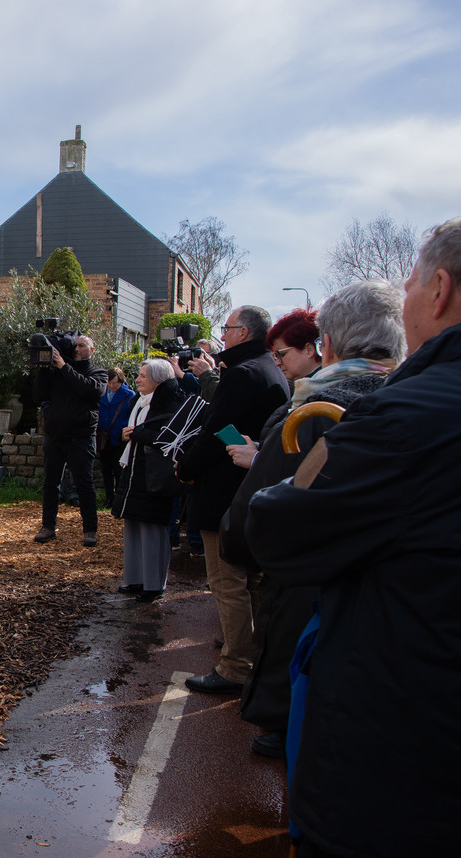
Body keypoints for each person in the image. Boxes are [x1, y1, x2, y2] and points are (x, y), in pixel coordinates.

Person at [247, 213, 461, 858]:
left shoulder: (406, 412)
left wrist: (316, 457)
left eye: (411, 279)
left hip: (409, 773)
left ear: (439, 289)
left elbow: (271, 531)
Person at [221, 282, 404, 760]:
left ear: (325, 345)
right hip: (404, 628)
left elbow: (249, 525)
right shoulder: (417, 401)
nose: (279, 361)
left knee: (306, 756)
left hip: (315, 603)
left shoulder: (315, 410)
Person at [177, 305, 289, 694]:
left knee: (228, 582)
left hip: (226, 491)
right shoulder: (270, 369)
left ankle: (235, 667)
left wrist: (187, 466)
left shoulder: (242, 374)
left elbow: (218, 431)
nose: (222, 334)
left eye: (227, 328)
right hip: (252, 488)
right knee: (253, 579)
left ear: (244, 333)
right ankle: (258, 656)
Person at [110, 358, 184, 603]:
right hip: (134, 469)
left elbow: (171, 438)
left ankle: (153, 584)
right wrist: (126, 435)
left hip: (154, 473)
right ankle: (134, 578)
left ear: (158, 380)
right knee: (133, 525)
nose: (138, 379)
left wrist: (140, 434)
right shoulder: (138, 402)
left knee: (152, 527)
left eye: (143, 375)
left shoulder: (171, 402)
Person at [32, 334, 107, 546]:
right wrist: (45, 369)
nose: (76, 348)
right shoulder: (57, 372)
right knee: (50, 484)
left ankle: (90, 530)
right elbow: (38, 396)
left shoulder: (97, 372)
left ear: (92, 350)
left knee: (85, 485)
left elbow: (90, 389)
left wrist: (64, 367)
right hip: (55, 436)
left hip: (81, 438)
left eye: (82, 345)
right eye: (75, 345)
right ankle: (48, 527)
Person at [226, 308, 323, 470]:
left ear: (309, 350)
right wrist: (261, 448)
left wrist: (257, 458)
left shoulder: (320, 399)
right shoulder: (307, 390)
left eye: (282, 354)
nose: (277, 362)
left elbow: (308, 466)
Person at [96, 367, 136, 505]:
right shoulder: (103, 392)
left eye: (115, 383)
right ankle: (109, 498)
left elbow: (132, 416)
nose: (112, 386)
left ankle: (119, 499)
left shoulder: (129, 395)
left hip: (119, 438)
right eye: (110, 383)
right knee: (106, 470)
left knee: (119, 470)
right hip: (103, 438)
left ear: (121, 381)